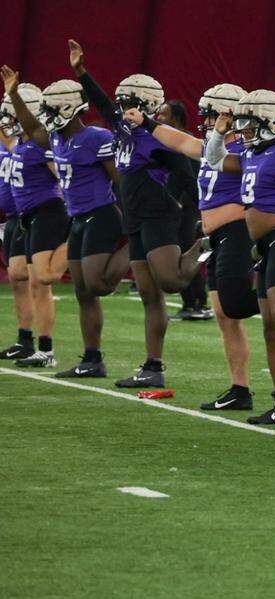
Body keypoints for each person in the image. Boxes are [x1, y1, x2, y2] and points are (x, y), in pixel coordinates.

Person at [68, 40, 202, 388]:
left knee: (170, 281)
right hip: (135, 217)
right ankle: (153, 366)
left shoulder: (159, 135)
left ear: (145, 104)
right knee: (149, 294)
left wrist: (179, 204)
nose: (122, 106)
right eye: (122, 100)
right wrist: (82, 72)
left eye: (129, 101)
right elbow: (101, 102)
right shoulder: (123, 128)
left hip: (158, 213)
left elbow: (188, 172)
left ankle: (203, 247)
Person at [127, 83, 261, 411]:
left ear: (229, 116)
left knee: (246, 309)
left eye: (211, 115)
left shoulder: (248, 151)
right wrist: (146, 122)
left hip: (238, 232)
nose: (204, 121)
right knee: (224, 315)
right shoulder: (211, 147)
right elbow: (177, 140)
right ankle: (240, 388)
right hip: (216, 237)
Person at [199, 89, 275, 424]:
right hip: (266, 246)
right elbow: (213, 159)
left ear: (270, 121)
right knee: (271, 328)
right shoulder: (253, 155)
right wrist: (220, 131)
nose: (245, 130)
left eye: (250, 124)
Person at [2, 69, 128, 378]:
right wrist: (15, 94)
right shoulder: (54, 138)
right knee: (84, 292)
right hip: (78, 219)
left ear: (70, 108)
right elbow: (31, 127)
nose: (46, 116)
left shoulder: (97, 137)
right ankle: (92, 358)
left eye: (52, 109)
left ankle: (136, 246)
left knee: (95, 285)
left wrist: (134, 217)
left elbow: (119, 181)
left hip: (100, 214)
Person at [1, 83, 66, 370]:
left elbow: (64, 176)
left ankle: (46, 349)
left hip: (48, 212)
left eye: (12, 114)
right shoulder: (22, 142)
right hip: (27, 215)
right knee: (18, 274)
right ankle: (28, 341)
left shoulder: (42, 144)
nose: (8, 120)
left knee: (41, 281)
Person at [157, 99, 211, 322]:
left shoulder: (186, 143)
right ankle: (193, 301)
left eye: (164, 114)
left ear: (176, 118)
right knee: (183, 252)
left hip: (187, 209)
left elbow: (191, 179)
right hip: (179, 208)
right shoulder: (167, 141)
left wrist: (179, 203)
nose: (159, 118)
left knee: (187, 253)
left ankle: (197, 302)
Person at [0, 128, 35, 361]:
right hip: (11, 217)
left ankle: (43, 344)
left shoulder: (28, 142)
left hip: (29, 215)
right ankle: (24, 340)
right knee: (16, 279)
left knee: (33, 277)